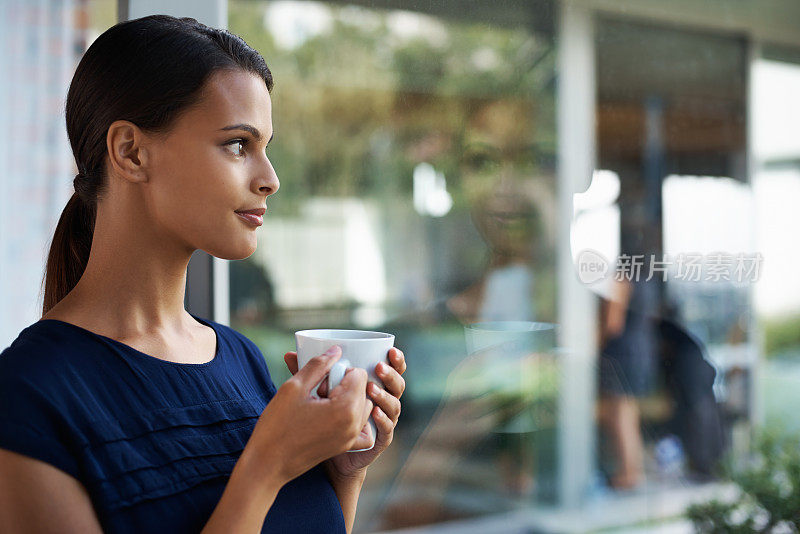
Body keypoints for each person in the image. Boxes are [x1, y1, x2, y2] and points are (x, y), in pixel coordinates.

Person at [0, 15, 406, 534]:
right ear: (130, 151)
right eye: (238, 144)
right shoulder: (32, 396)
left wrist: (342, 471)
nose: (270, 179)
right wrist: (266, 466)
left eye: (266, 147)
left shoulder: (242, 361)